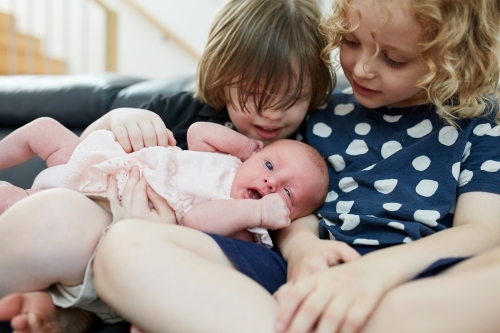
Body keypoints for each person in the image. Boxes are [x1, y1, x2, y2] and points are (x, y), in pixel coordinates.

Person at [19, 0, 498, 332]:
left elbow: (482, 233)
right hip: (292, 271)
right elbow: (290, 202)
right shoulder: (324, 109)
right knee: (124, 243)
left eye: (394, 58)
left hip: (419, 279)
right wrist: (303, 251)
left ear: (458, 57)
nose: (364, 70)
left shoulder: (481, 124)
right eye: (350, 42)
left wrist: (373, 276)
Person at [0, 0, 339, 331]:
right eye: (253, 93)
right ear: (222, 75)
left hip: (148, 244)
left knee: (55, 221)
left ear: (315, 91)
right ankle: (55, 304)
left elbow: (287, 226)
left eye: (291, 98)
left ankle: (65, 309)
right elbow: (84, 153)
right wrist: (117, 118)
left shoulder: (308, 153)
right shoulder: (179, 112)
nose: (271, 113)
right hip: (99, 195)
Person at [0, 118, 329, 246]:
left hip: (96, 203)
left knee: (17, 206)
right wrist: (245, 147)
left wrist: (257, 214)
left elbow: (196, 221)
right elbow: (198, 132)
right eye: (269, 164)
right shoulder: (231, 162)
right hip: (96, 162)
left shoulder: (247, 225)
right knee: (43, 129)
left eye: (287, 192)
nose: (270, 181)